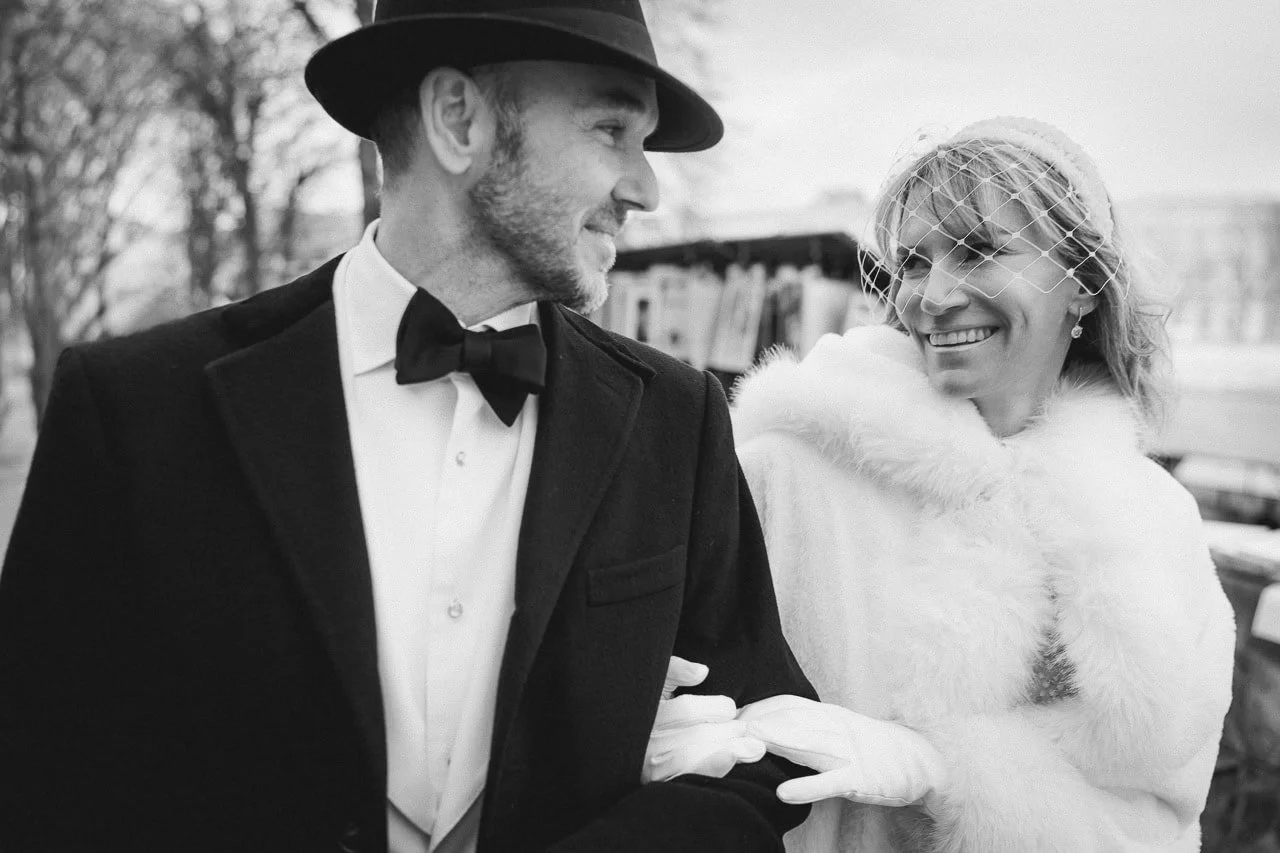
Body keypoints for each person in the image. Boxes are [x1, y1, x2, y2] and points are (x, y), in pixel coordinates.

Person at [0, 2, 815, 851]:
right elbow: (41, 781)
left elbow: (770, 745)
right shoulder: (135, 411)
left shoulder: (674, 421)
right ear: (457, 120)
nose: (645, 188)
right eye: (612, 128)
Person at [651, 117, 1237, 851]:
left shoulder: (1156, 521)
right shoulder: (783, 469)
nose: (933, 295)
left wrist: (945, 771)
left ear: (1084, 284)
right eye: (915, 262)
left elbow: (1166, 812)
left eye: (980, 251)